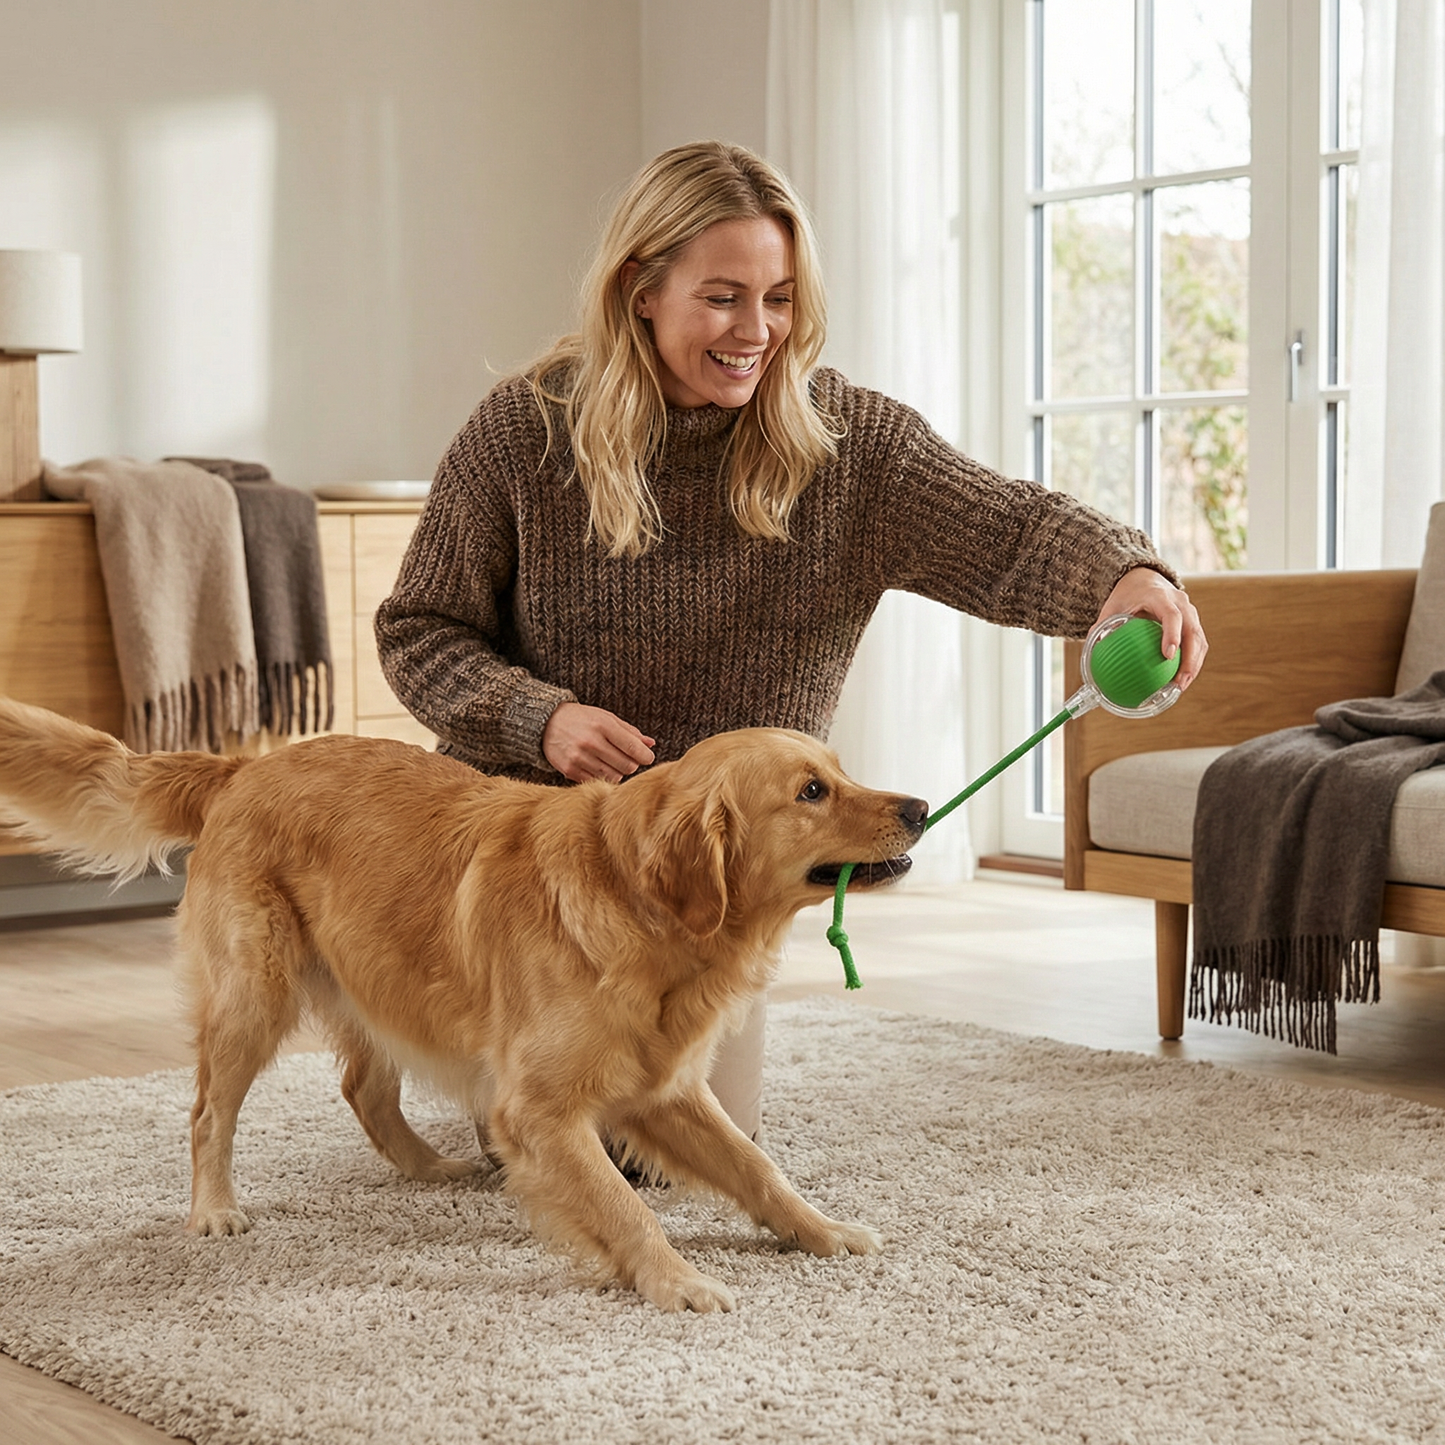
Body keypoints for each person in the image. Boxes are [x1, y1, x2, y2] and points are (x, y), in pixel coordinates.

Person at [374, 140, 1207, 1140]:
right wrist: (540, 719)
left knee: (687, 1148)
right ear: (639, 287)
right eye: (722, 296)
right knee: (557, 1142)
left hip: (721, 899)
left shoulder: (848, 447)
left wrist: (1128, 572)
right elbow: (418, 630)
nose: (754, 330)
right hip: (543, 893)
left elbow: (1010, 530)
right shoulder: (521, 433)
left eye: (777, 299)